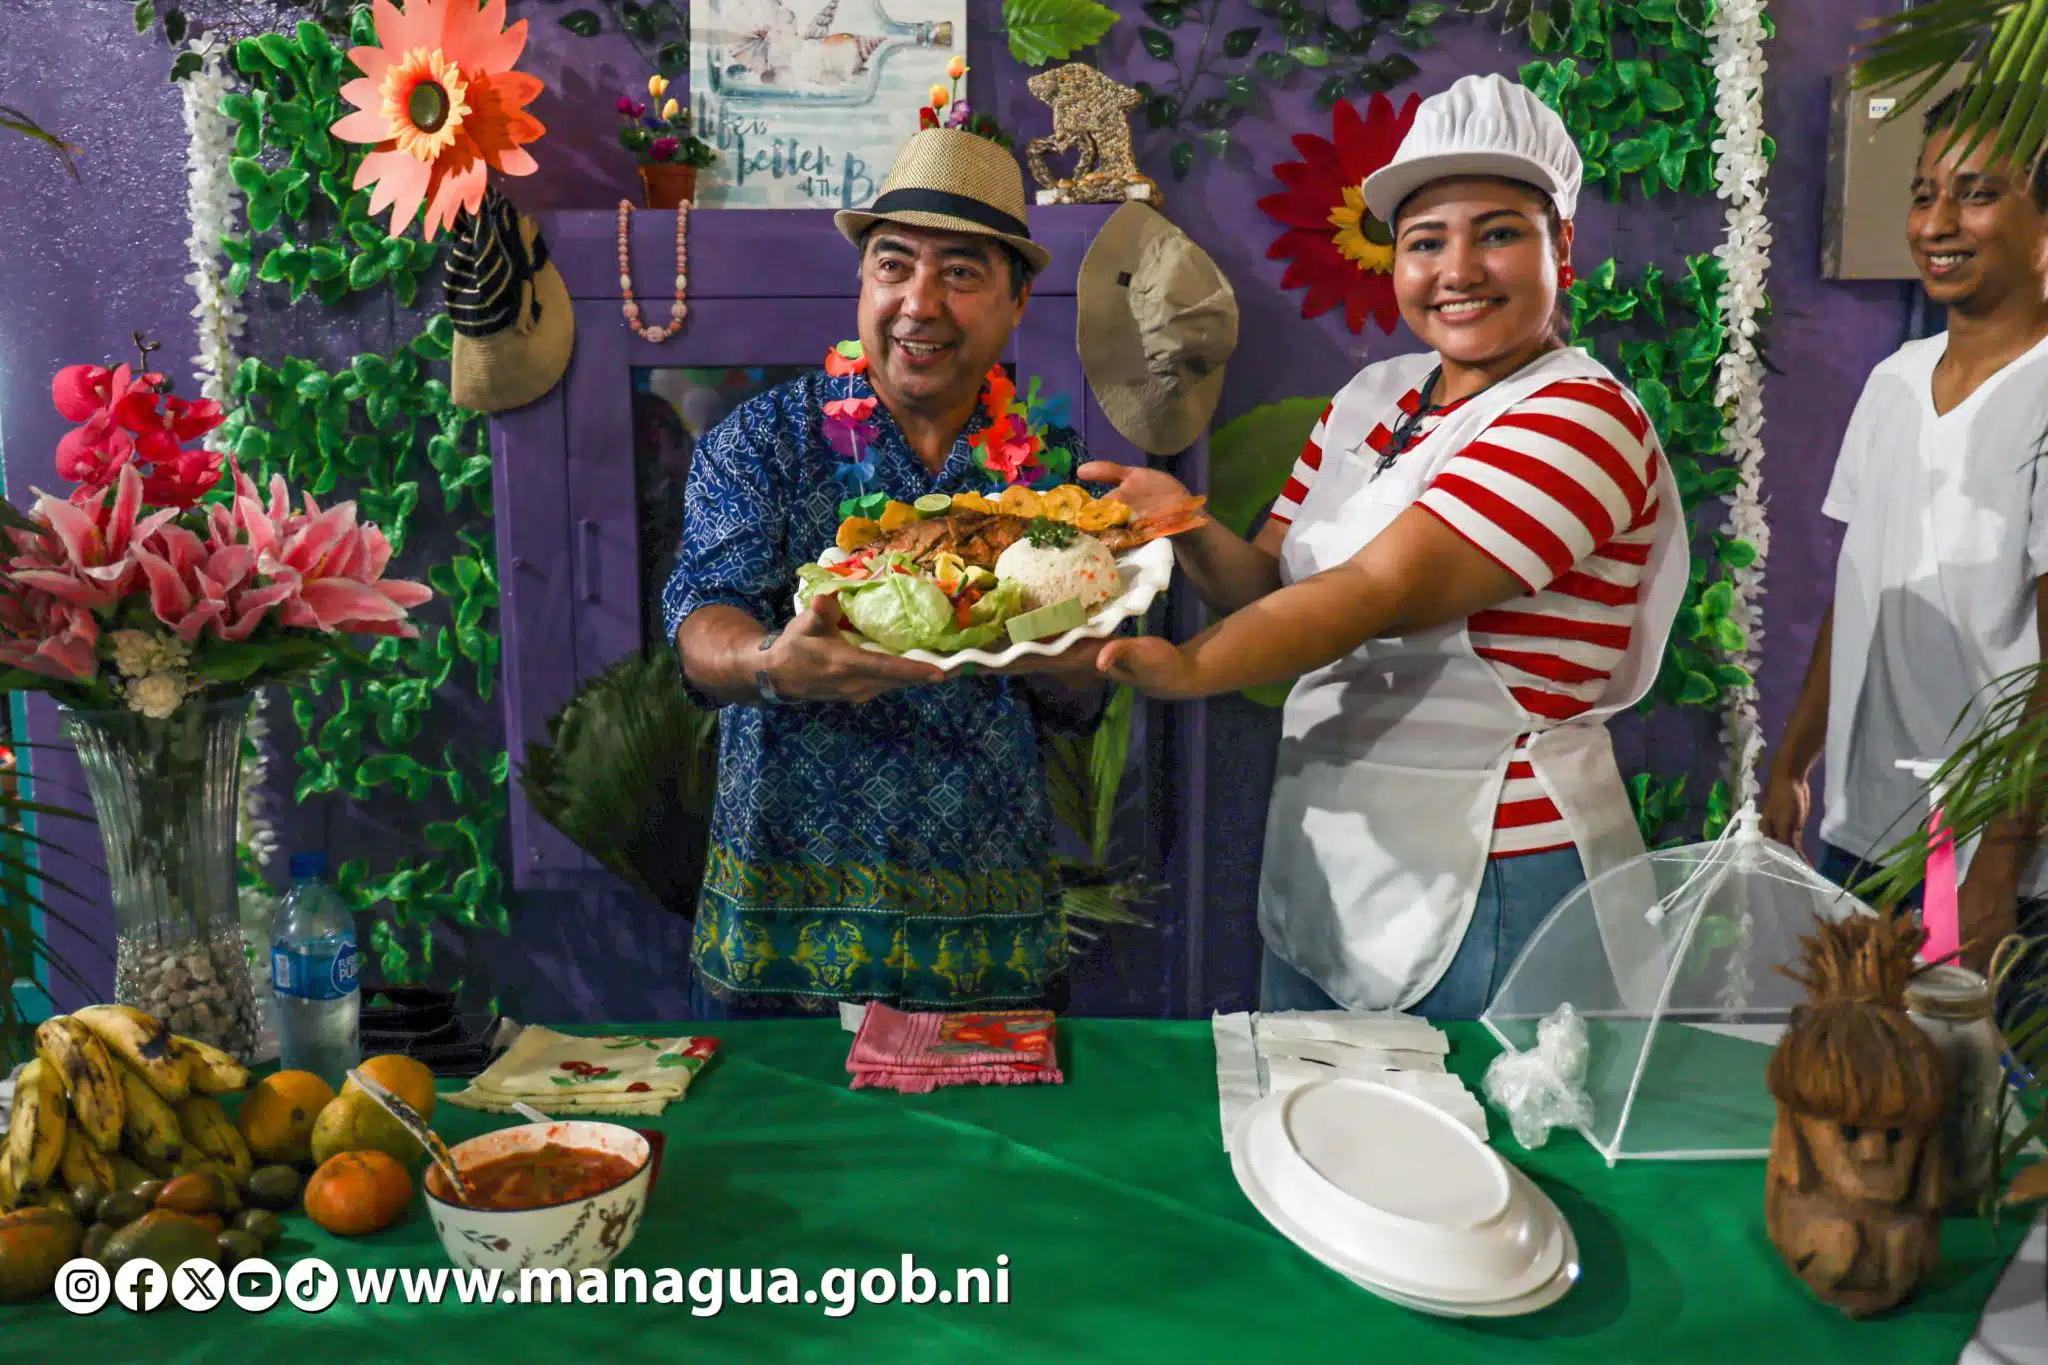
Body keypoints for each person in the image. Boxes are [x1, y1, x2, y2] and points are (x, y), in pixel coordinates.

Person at [1086, 73, 1686, 1019]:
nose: (1459, 270)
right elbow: (1267, 585)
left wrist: (1188, 670)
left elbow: (1374, 589)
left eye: (1498, 233)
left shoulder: (1580, 418)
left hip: (1495, 867)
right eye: (1426, 241)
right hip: (1329, 853)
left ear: (1562, 248)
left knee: (1482, 1117)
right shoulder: (1375, 397)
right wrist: (1184, 524)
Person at [663, 124, 1108, 1018]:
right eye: (893, 265)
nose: (919, 303)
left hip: (987, 928)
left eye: (962, 273)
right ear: (863, 281)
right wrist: (769, 664)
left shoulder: (1051, 469)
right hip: (785, 923)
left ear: (1019, 300)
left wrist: (1066, 655)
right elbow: (703, 615)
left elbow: (1083, 693)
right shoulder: (762, 440)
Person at [1761, 86, 2048, 982]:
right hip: (1865, 833)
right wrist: (1795, 760)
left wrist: (1996, 868)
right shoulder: (1893, 379)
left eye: (1977, 193)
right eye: (1925, 194)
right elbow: (1861, 589)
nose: (1936, 223)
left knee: (1982, 1076)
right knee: (1859, 1067)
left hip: (2001, 866)